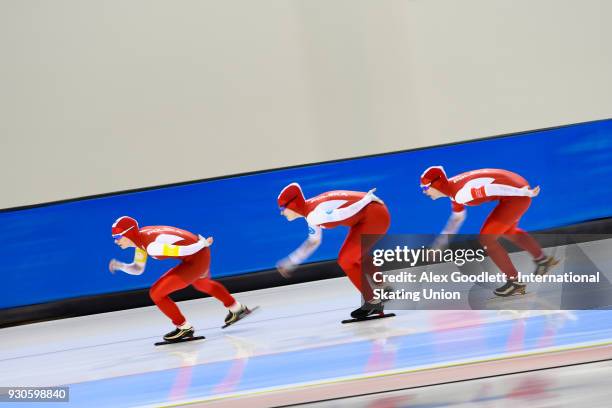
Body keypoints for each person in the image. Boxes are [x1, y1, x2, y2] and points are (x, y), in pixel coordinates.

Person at [420, 166, 558, 297]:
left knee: (486, 239)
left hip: (517, 193)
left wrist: (524, 192)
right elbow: (457, 218)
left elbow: (491, 188)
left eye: (425, 187)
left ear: (437, 184)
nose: (424, 192)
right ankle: (543, 261)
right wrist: (439, 245)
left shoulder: (461, 194)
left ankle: (515, 282)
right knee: (508, 230)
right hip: (514, 188)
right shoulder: (452, 191)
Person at [109, 216, 249, 342]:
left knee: (156, 293)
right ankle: (237, 308)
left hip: (196, 254)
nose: (116, 241)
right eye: (114, 238)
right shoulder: (140, 241)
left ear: (128, 233)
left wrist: (202, 244)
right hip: (198, 253)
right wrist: (120, 266)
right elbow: (138, 269)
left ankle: (184, 327)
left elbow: (182, 251)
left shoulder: (152, 247)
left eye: (118, 237)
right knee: (202, 284)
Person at [276, 183, 391, 318]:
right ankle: (384, 289)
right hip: (368, 215)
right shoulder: (311, 214)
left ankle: (373, 302)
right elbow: (313, 241)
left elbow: (344, 213)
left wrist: (367, 199)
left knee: (346, 260)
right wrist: (291, 261)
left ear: (292, 204)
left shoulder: (315, 215)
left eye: (282, 208)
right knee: (355, 254)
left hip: (375, 214)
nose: (281, 212)